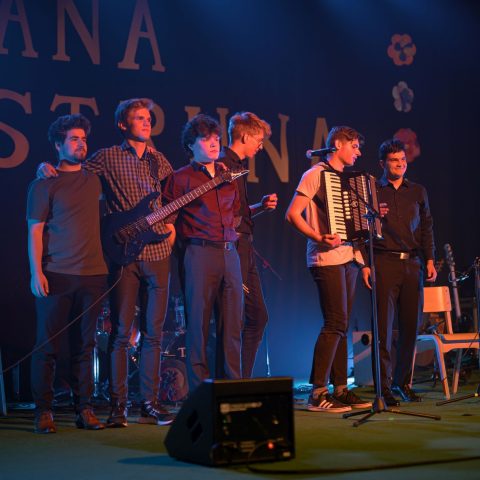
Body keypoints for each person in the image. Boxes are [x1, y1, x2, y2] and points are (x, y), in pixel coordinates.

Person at [37, 98, 175, 427]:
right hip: (123, 254)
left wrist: (172, 228)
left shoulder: (160, 160)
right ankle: (118, 406)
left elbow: (172, 198)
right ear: (123, 124)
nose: (147, 122)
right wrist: (44, 167)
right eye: (139, 118)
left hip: (158, 254)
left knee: (154, 334)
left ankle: (150, 403)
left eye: (149, 118)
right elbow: (73, 172)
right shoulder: (107, 157)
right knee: (121, 333)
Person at [27, 114, 107, 433]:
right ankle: (43, 411)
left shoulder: (95, 180)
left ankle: (84, 408)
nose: (81, 144)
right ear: (58, 145)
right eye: (74, 139)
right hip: (56, 274)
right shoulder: (43, 182)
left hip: (93, 275)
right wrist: (36, 272)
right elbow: (35, 231)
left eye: (84, 139)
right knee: (47, 347)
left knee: (85, 346)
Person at [285, 126, 371, 413]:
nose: (358, 152)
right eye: (354, 146)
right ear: (338, 144)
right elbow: (292, 214)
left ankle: (341, 389)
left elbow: (355, 225)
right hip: (325, 259)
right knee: (334, 323)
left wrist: (362, 261)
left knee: (341, 325)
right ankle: (318, 392)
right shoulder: (315, 174)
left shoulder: (348, 180)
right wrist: (318, 237)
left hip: (349, 259)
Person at [163, 114, 243, 391]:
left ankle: (231, 389)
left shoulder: (227, 176)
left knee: (232, 325)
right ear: (191, 144)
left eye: (217, 138)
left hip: (229, 253)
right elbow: (167, 219)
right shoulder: (179, 178)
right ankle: (199, 392)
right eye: (206, 138)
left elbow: (236, 215)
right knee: (197, 325)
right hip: (198, 253)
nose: (214, 143)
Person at [361, 139, 437, 405]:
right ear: (382, 163)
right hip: (383, 262)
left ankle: (402, 383)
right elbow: (360, 230)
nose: (400, 164)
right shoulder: (372, 191)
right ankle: (383, 389)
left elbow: (427, 227)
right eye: (394, 160)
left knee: (410, 328)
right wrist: (365, 264)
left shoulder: (417, 191)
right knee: (383, 328)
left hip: (413, 264)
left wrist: (430, 259)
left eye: (403, 160)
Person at [217, 111, 277, 378]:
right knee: (234, 318)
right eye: (258, 140)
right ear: (244, 136)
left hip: (245, 248)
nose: (260, 147)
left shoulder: (239, 167)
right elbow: (223, 216)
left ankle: (241, 381)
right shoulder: (223, 164)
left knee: (258, 317)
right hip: (234, 249)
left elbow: (237, 214)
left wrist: (260, 207)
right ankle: (231, 381)